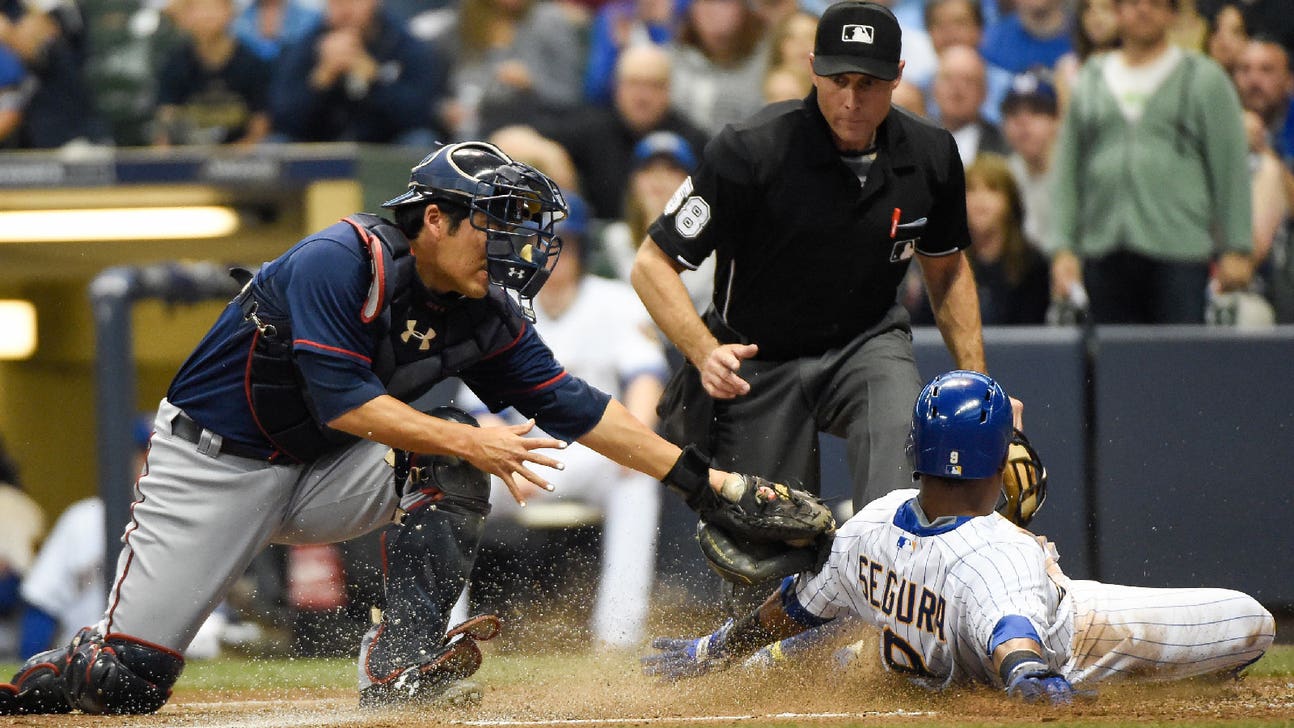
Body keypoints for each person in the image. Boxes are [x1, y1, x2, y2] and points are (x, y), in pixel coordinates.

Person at [0, 141, 831, 716]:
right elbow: (345, 402)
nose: (512, 245)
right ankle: (54, 671)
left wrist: (708, 484)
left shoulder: (483, 306)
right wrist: (473, 440)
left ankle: (399, 661)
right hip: (217, 464)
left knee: (450, 450)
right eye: (493, 223)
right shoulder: (341, 260)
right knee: (127, 682)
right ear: (434, 219)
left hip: (327, 469)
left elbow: (574, 406)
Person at [643, 371, 1277, 703]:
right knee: (1253, 621)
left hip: (936, 647)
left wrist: (713, 647)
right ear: (999, 457)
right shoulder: (1001, 555)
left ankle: (851, 657)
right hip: (1077, 634)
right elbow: (1015, 643)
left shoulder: (871, 521)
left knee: (863, 629)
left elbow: (793, 607)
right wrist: (1035, 681)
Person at [632, 0, 1002, 517]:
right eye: (838, 80)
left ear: (897, 76)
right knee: (771, 541)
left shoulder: (930, 153)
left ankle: (890, 557)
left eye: (868, 83)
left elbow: (948, 270)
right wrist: (703, 350)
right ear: (812, 68)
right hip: (758, 358)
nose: (851, 100)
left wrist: (980, 386)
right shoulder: (749, 149)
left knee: (898, 485)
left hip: (867, 343)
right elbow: (651, 264)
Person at [456, 195, 669, 649]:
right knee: (453, 482)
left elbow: (646, 379)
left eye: (562, 246)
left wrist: (635, 446)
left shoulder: (616, 301)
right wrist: (506, 456)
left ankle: (618, 637)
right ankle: (440, 637)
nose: (549, 257)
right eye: (537, 245)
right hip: (520, 453)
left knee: (637, 479)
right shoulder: (497, 304)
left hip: (594, 453)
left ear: (581, 249)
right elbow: (475, 414)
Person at [1050, 0, 1253, 324]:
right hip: (1104, 246)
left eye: (1156, 3)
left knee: (1177, 351)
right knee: (1112, 354)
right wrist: (1063, 248)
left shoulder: (1202, 78)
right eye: (1132, 3)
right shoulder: (1091, 79)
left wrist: (1237, 246)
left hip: (1180, 249)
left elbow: (1230, 167)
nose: (1144, 10)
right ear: (1117, 11)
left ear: (1172, 13)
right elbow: (1067, 169)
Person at [541, 44, 710, 220]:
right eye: (634, 84)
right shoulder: (592, 129)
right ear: (616, 86)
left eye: (653, 85)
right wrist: (551, 155)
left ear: (669, 89)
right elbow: (527, 138)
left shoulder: (695, 142)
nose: (642, 96)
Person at [270, 0, 447, 144]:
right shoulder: (307, 45)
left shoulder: (404, 44)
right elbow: (282, 118)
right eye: (336, 2)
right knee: (276, 144)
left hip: (384, 145)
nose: (345, 10)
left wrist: (374, 80)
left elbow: (422, 115)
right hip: (320, 145)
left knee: (419, 140)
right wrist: (322, 79)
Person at [151, 0, 272, 147]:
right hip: (188, 153)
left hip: (242, 156)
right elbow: (166, 122)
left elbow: (260, 127)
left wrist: (232, 154)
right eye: (197, 9)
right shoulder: (174, 63)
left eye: (213, 8)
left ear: (230, 12)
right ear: (183, 17)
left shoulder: (252, 63)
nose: (205, 16)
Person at [667, 0, 770, 136]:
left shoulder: (767, 61)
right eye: (706, 2)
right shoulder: (670, 60)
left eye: (723, 2)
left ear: (745, 10)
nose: (713, 11)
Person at [999, 71, 1059, 254]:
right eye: (1013, 113)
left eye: (1036, 111)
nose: (1023, 121)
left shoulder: (1077, 172)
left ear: (1057, 120)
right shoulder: (1004, 175)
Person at [930, 44, 1010, 166]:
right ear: (934, 88)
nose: (957, 89)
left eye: (968, 81)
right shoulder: (913, 139)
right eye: (948, 78)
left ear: (984, 92)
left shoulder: (1005, 146)